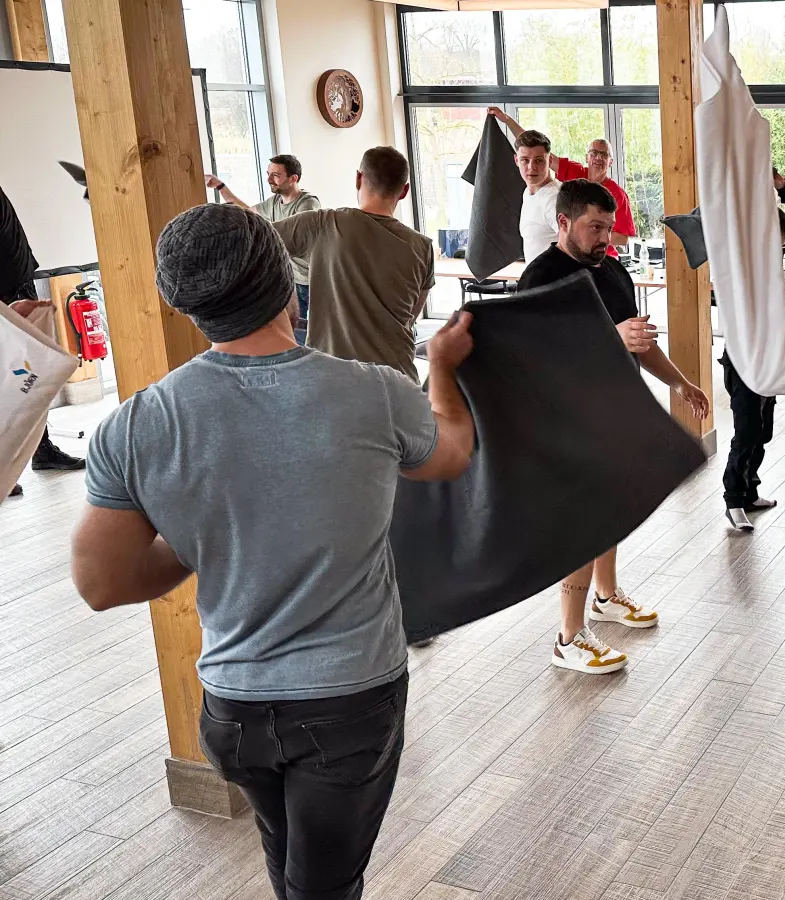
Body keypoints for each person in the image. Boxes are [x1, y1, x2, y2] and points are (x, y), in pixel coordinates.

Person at [70, 203, 477, 900]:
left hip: (233, 706)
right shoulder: (374, 394)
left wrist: (205, 535)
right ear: (287, 285)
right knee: (325, 883)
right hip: (348, 702)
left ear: (184, 303)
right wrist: (441, 367)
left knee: (290, 860)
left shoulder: (137, 424)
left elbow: (102, 583)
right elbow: (451, 455)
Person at [518, 180, 709, 675]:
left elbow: (637, 342)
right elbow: (530, 357)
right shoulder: (541, 278)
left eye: (609, 226)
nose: (606, 237)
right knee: (585, 522)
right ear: (563, 223)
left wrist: (681, 383)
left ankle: (604, 596)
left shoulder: (613, 270)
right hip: (563, 419)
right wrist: (610, 337)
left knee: (611, 509)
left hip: (612, 412)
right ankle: (568, 637)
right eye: (594, 227)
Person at [273, 147, 436, 383]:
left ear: (358, 179)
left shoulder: (322, 224)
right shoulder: (423, 247)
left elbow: (252, 240)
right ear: (404, 191)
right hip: (398, 381)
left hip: (333, 380)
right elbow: (410, 317)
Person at [722, 170, 785, 533]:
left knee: (763, 430)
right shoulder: (740, 263)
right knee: (745, 431)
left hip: (769, 356)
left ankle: (750, 491)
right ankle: (732, 501)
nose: (780, 248)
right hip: (743, 359)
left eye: (783, 243)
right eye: (774, 242)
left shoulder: (775, 251)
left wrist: (781, 187)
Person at [1, 184, 85, 493]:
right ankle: (5, 464)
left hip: (19, 275)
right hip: (5, 290)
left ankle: (42, 449)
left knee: (35, 372)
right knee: (11, 380)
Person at [488, 108, 636, 258]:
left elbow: (622, 238)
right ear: (587, 157)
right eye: (594, 153)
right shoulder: (575, 174)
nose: (598, 158)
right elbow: (534, 149)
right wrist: (507, 120)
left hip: (602, 259)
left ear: (611, 161)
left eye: (604, 154)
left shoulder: (617, 194)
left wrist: (594, 231)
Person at [206, 156, 321, 341]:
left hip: (313, 280)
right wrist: (221, 186)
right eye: (268, 174)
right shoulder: (275, 202)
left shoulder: (307, 204)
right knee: (295, 330)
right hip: (292, 278)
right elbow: (247, 211)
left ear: (293, 178)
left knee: (316, 331)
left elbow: (290, 237)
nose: (269, 180)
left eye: (275, 175)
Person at [513, 128, 561, 262]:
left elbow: (577, 246)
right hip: (536, 280)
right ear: (516, 160)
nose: (531, 167)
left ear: (550, 160)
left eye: (539, 160)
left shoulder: (554, 198)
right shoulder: (528, 192)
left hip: (553, 282)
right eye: (525, 160)